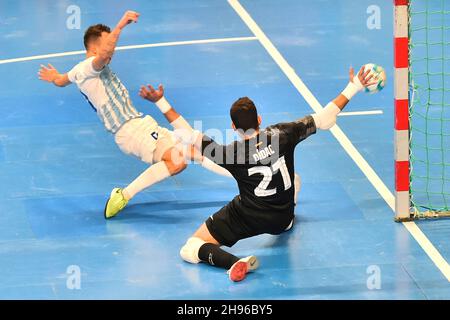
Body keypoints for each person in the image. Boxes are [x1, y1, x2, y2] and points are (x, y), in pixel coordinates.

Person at [139, 66, 375, 281]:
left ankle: (234, 262)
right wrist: (353, 86)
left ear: (233, 127)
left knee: (190, 247)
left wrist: (161, 101)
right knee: (295, 179)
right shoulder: (284, 133)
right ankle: (286, 216)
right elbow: (324, 119)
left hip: (247, 216)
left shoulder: (230, 154)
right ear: (259, 119)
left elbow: (188, 134)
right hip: (282, 220)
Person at [38, 11, 231, 219]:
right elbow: (104, 54)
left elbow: (62, 80)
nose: (111, 49)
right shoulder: (88, 67)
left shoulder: (79, 71)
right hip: (129, 131)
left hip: (141, 123)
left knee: (192, 148)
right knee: (177, 162)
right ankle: (124, 195)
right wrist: (120, 26)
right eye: (106, 43)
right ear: (94, 47)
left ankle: (242, 181)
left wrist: (54, 77)